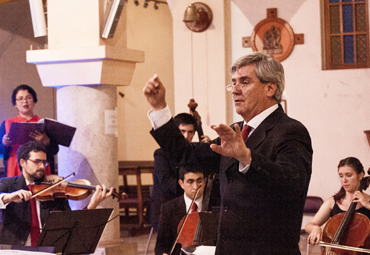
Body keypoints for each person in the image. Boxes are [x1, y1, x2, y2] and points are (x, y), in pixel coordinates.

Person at [143, 52, 313, 255]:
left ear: (270, 88)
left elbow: (292, 184)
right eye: (233, 83)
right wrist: (159, 108)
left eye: (245, 82)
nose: (235, 90)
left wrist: (246, 158)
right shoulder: (235, 131)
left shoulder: (290, 130)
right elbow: (186, 156)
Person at [0, 141, 114, 246]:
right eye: (36, 161)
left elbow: (71, 223)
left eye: (44, 162)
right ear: (23, 162)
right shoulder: (9, 185)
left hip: (47, 250)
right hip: (16, 249)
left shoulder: (54, 188)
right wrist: (8, 197)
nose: (41, 166)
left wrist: (92, 205)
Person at [147, 112, 211, 232]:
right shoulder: (161, 154)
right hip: (165, 207)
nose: (186, 136)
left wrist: (208, 149)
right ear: (175, 132)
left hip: (191, 205)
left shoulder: (194, 153)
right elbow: (167, 183)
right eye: (182, 131)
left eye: (190, 132)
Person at [305, 157, 370, 245]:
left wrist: (368, 205)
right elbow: (309, 225)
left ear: (360, 175)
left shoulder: (368, 201)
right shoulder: (332, 202)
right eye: (341, 176)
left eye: (349, 175)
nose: (344, 180)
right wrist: (315, 228)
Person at [0, 84, 58, 177]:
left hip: (40, 168)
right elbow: (0, 152)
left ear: (34, 101)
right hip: (15, 168)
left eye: (28, 98)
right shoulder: (7, 123)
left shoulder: (44, 123)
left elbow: (55, 150)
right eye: (20, 98)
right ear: (15, 104)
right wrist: (4, 144)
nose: (25, 101)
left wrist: (46, 141)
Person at [155, 164, 207, 255]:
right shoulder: (168, 208)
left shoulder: (215, 205)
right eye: (190, 182)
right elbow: (161, 246)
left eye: (199, 181)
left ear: (205, 181)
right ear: (181, 183)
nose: (195, 186)